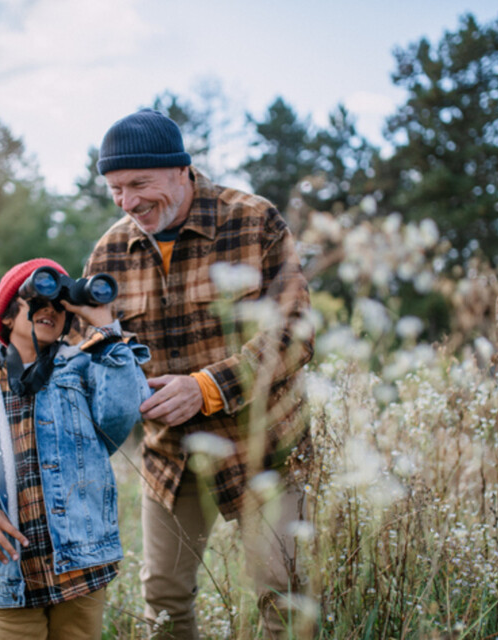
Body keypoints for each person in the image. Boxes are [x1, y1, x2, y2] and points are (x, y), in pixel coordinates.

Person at [85, 109, 315, 639]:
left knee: (282, 598)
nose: (128, 202)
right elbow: (94, 356)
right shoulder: (110, 252)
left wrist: (208, 388)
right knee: (163, 602)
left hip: (263, 450)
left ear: (182, 169)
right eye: (115, 190)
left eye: (139, 184)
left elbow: (296, 332)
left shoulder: (253, 220)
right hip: (170, 457)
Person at [0, 258, 151, 640]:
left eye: (59, 303)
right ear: (6, 316)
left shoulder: (85, 371)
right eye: (36, 299)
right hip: (9, 575)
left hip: (81, 567)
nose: (49, 309)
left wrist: (104, 327)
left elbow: (124, 411)